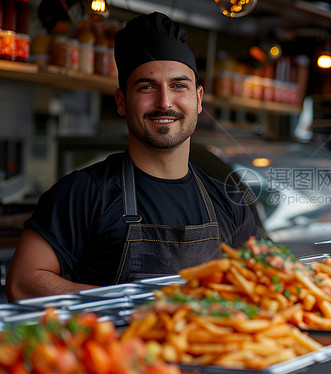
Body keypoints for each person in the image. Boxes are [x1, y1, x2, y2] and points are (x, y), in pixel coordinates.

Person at [6, 12, 260, 301]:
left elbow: (259, 282)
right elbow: (23, 283)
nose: (165, 102)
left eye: (179, 85)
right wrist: (138, 305)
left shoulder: (230, 203)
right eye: (147, 87)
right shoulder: (84, 193)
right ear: (121, 102)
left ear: (198, 99)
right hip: (115, 344)